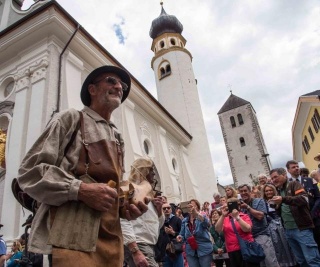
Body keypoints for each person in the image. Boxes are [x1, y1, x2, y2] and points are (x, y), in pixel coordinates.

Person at [16, 65, 148, 267]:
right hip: (73, 235)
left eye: (121, 85)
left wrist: (126, 208)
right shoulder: (71, 119)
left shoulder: (118, 137)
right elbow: (30, 172)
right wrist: (81, 190)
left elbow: (113, 190)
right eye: (111, 80)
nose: (119, 86)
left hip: (112, 242)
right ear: (92, 90)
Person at [270, 167, 320, 267]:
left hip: (302, 229)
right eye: (272, 178)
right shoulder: (279, 190)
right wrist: (275, 206)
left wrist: (283, 199)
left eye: (276, 177)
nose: (274, 180)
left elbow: (304, 199)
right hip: (288, 231)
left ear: (284, 174)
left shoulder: (294, 184)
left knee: (312, 260)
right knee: (301, 261)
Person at [121, 157, 164, 267]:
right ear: (144, 171)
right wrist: (135, 250)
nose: (154, 176)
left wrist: (159, 211)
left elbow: (156, 225)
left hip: (148, 246)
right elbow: (123, 220)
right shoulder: (130, 190)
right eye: (151, 172)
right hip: (139, 245)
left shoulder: (148, 194)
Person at [238, 184, 280, 267]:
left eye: (245, 191)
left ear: (250, 192)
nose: (243, 193)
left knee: (270, 262)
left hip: (262, 235)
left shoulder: (259, 201)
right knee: (260, 264)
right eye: (241, 192)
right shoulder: (240, 207)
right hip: (249, 239)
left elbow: (260, 216)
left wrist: (248, 207)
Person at [286, 160, 320, 252]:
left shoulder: (309, 180)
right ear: (288, 170)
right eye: (293, 167)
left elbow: (318, 198)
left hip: (314, 217)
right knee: (309, 247)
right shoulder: (288, 185)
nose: (296, 168)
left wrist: (313, 213)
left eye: (297, 166)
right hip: (301, 220)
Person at [215, 198, 258, 267]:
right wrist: (223, 215)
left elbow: (247, 229)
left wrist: (237, 217)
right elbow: (218, 229)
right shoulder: (225, 219)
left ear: (238, 206)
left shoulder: (244, 216)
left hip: (247, 248)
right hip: (233, 250)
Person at [261, 183, 296, 267]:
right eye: (266, 191)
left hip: (280, 224)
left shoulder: (279, 199)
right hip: (269, 227)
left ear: (274, 191)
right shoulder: (262, 202)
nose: (269, 192)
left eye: (270, 190)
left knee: (286, 245)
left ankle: (291, 263)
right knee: (276, 247)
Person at [177, 199, 213, 267]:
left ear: (198, 207)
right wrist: (180, 237)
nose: (191, 207)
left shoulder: (202, 216)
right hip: (190, 250)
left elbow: (207, 224)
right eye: (190, 206)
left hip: (204, 249)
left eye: (194, 206)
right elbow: (182, 234)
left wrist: (196, 213)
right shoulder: (185, 220)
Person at [161, 202, 183, 267]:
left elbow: (183, 234)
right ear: (161, 210)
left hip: (176, 249)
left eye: (168, 208)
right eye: (164, 208)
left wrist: (173, 233)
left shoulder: (177, 220)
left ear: (171, 209)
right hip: (164, 250)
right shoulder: (160, 221)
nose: (166, 209)